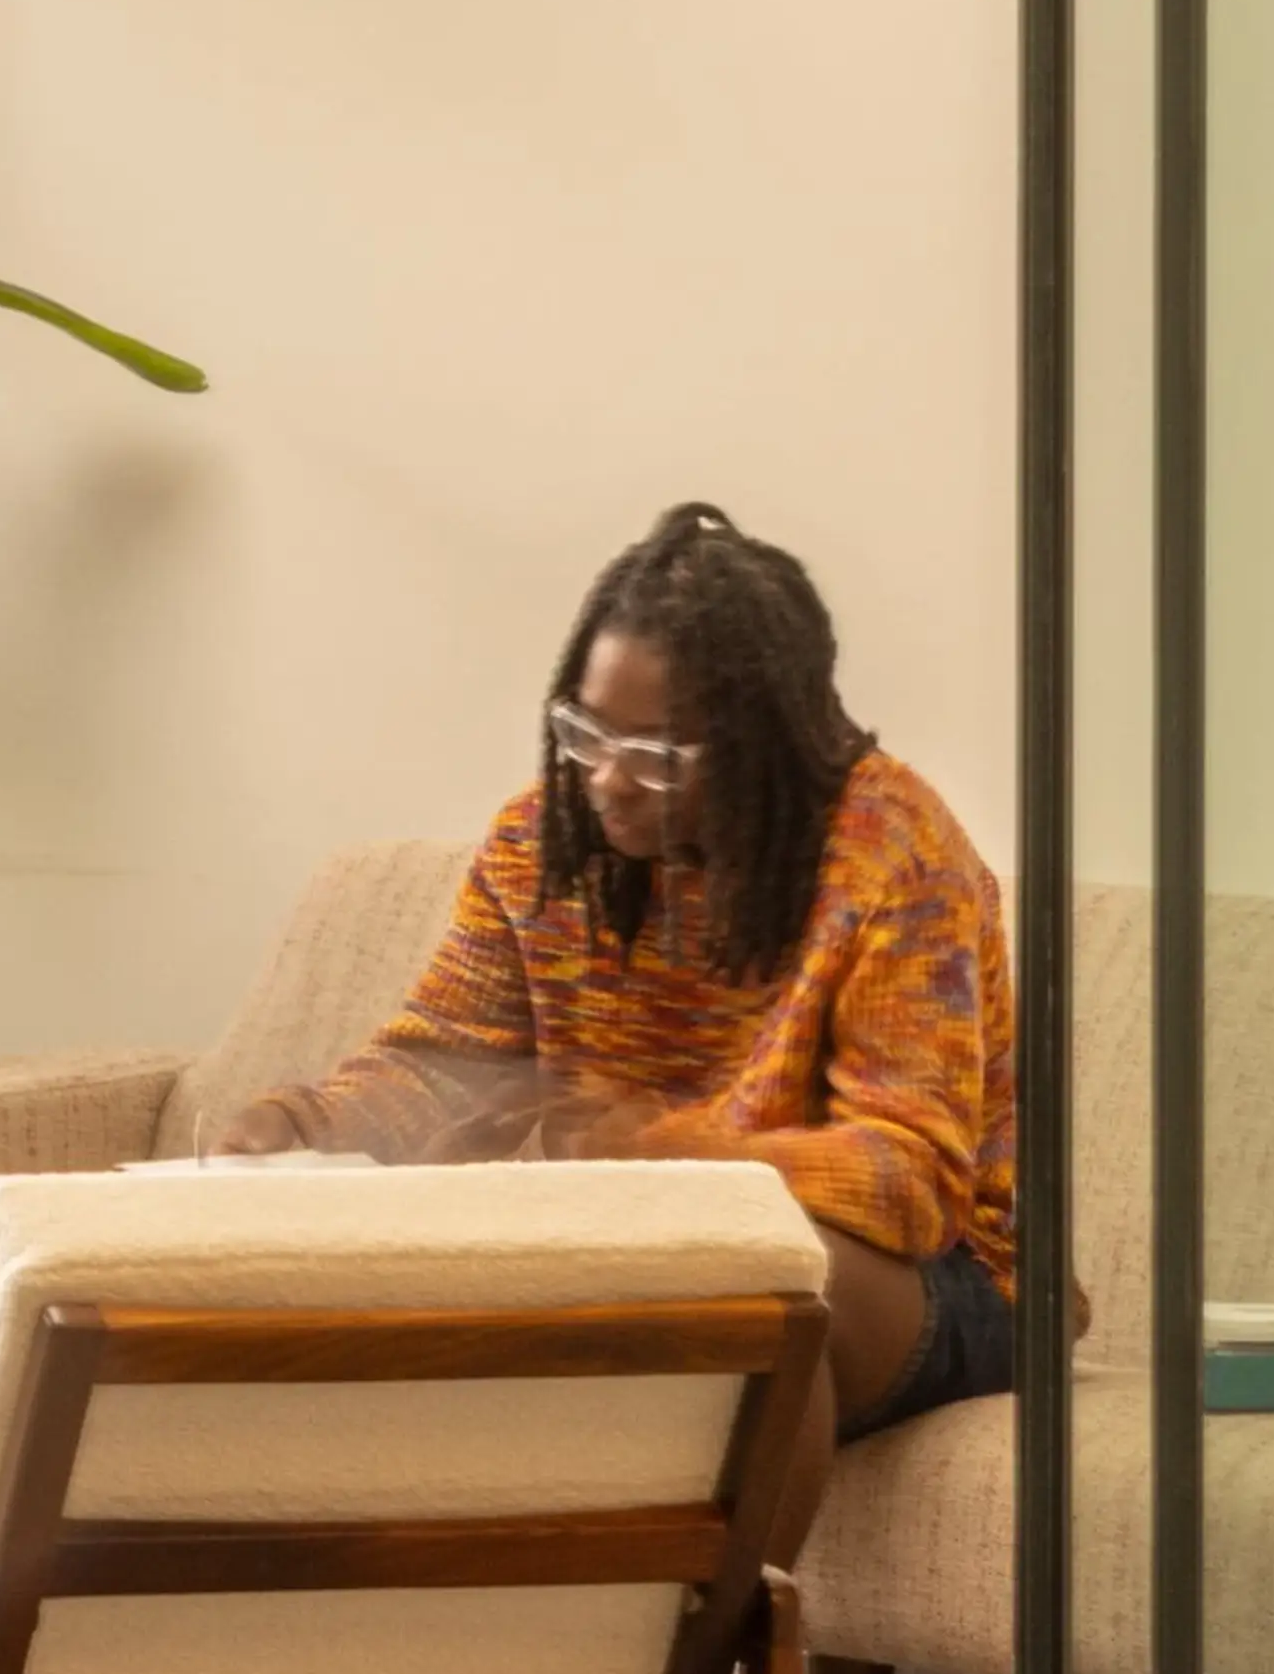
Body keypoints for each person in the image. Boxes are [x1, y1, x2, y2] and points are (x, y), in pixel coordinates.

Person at [221, 500, 1018, 1468]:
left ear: (765, 742)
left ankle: (728, 1625)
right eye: (585, 733)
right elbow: (441, 1063)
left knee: (749, 1286)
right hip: (649, 1240)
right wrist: (308, 1124)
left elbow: (910, 1181)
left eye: (657, 754)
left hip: (941, 1277)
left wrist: (651, 1148)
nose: (607, 780)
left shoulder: (891, 851)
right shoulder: (540, 847)